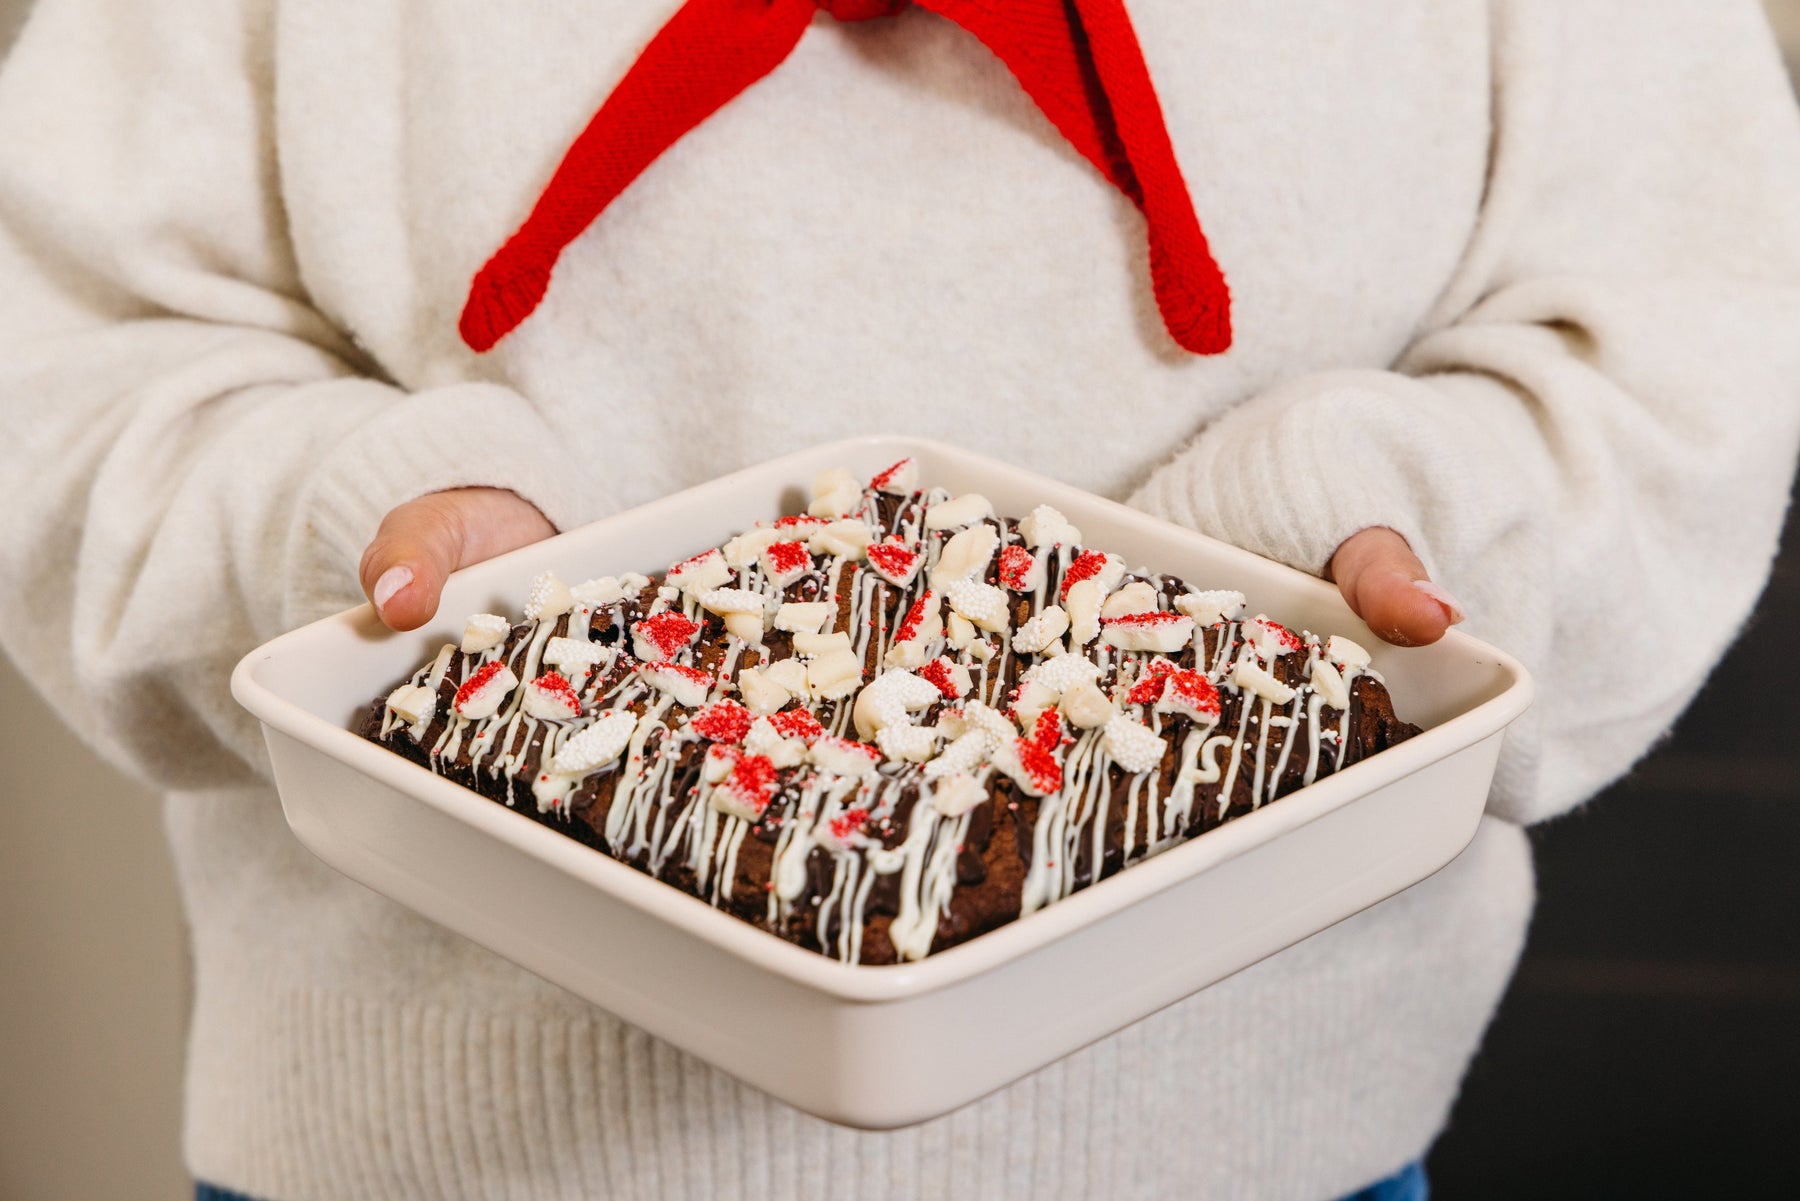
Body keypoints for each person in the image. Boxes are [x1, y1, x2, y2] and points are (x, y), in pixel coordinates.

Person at [1, 1, 1796, 1198]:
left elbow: (1679, 349)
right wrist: (368, 544)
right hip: (408, 1160)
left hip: (1267, 1156)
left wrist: (1346, 545)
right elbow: (66, 365)